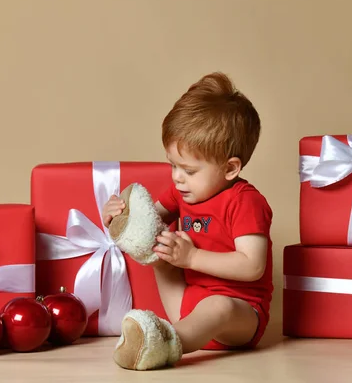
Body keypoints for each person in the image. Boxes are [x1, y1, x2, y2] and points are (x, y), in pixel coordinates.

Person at [102, 72, 273, 371]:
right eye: (173, 166)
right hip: (187, 307)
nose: (177, 177)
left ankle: (164, 342)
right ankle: (163, 333)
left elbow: (252, 265)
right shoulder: (182, 192)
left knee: (218, 305)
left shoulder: (245, 201)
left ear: (230, 168)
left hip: (238, 316)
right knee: (156, 245)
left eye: (189, 170)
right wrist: (119, 217)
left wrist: (192, 257)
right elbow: (147, 222)